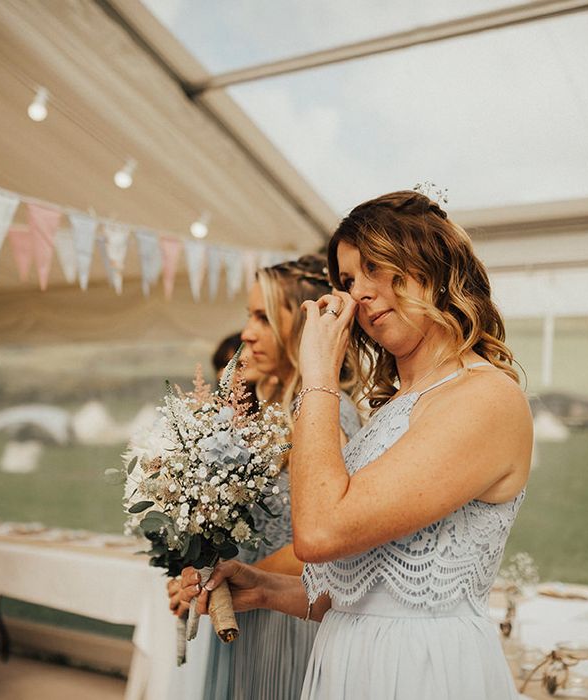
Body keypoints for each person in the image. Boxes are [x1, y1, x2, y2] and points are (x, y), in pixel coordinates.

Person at [184, 191, 533, 698]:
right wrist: (264, 587)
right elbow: (364, 589)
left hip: (420, 670)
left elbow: (320, 531)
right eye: (348, 280)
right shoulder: (394, 407)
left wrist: (318, 373)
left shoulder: (485, 397)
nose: (359, 293)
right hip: (350, 658)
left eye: (374, 267)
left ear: (432, 267)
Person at [171, 255, 361, 700]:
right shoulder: (268, 412)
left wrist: (235, 577)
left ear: (301, 324)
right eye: (248, 316)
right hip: (247, 608)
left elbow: (329, 541)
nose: (246, 333)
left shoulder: (323, 415)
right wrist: (199, 570)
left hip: (288, 619)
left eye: (262, 317)